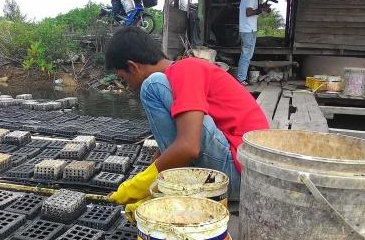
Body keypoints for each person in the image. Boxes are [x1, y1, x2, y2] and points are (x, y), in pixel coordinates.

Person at [106, 27, 269, 222]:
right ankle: (169, 186)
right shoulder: (183, 72)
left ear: (133, 66)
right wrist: (150, 192)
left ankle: (173, 186)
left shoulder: (185, 69)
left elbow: (188, 147)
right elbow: (170, 144)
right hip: (246, 176)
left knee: (153, 85)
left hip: (238, 178)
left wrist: (136, 187)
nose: (129, 85)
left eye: (124, 78)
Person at [237, 0, 271, 86]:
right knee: (246, 56)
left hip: (245, 29)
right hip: (249, 30)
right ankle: (241, 79)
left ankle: (241, 77)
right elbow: (249, 12)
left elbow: (249, 8)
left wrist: (260, 6)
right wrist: (262, 10)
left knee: (245, 54)